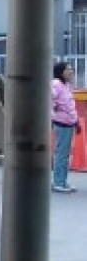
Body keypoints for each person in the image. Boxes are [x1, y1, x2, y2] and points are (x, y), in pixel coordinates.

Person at [52, 61, 80, 193]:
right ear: (61, 72)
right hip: (61, 124)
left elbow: (70, 106)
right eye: (68, 69)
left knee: (65, 154)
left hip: (69, 123)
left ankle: (63, 181)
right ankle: (58, 182)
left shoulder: (66, 85)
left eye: (71, 69)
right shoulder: (56, 84)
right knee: (61, 155)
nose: (71, 72)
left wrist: (76, 122)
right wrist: (54, 112)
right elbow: (49, 100)